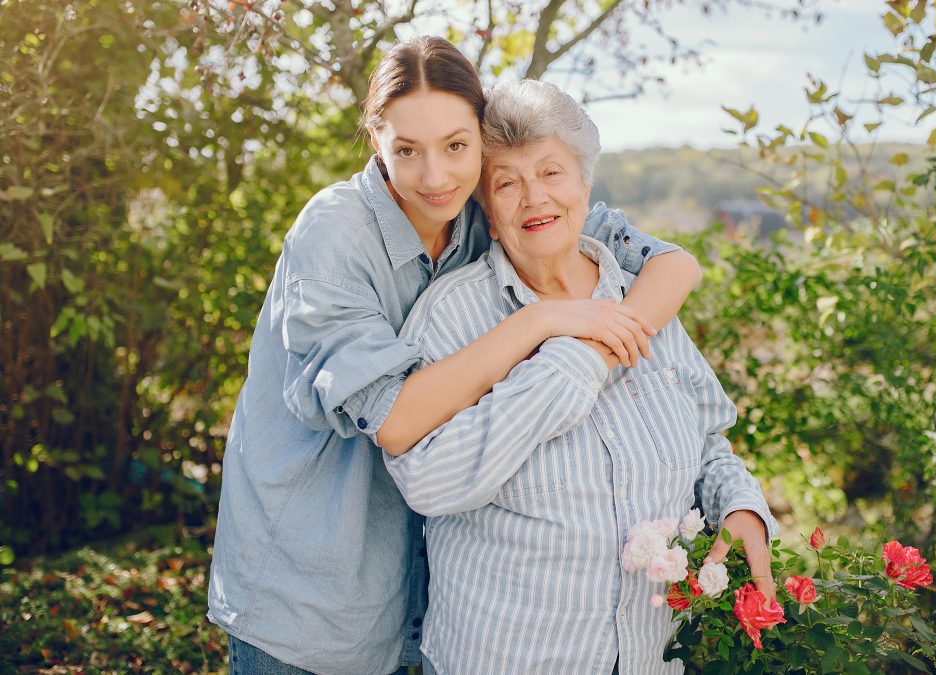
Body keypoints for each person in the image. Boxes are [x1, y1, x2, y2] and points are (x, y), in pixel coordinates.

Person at [206, 37, 703, 674]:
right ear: (375, 139)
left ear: (478, 136)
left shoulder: (490, 207)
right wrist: (544, 321)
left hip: (429, 590)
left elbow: (673, 265)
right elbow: (396, 419)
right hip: (313, 588)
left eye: (456, 146)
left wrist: (600, 349)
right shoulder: (333, 235)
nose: (435, 176)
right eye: (406, 150)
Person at [384, 79, 779, 675]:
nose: (533, 198)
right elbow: (429, 484)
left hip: (650, 658)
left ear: (585, 186)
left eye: (552, 173)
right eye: (507, 184)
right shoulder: (450, 318)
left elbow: (705, 442)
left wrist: (741, 508)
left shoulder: (640, 296)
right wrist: (577, 356)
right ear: (487, 212)